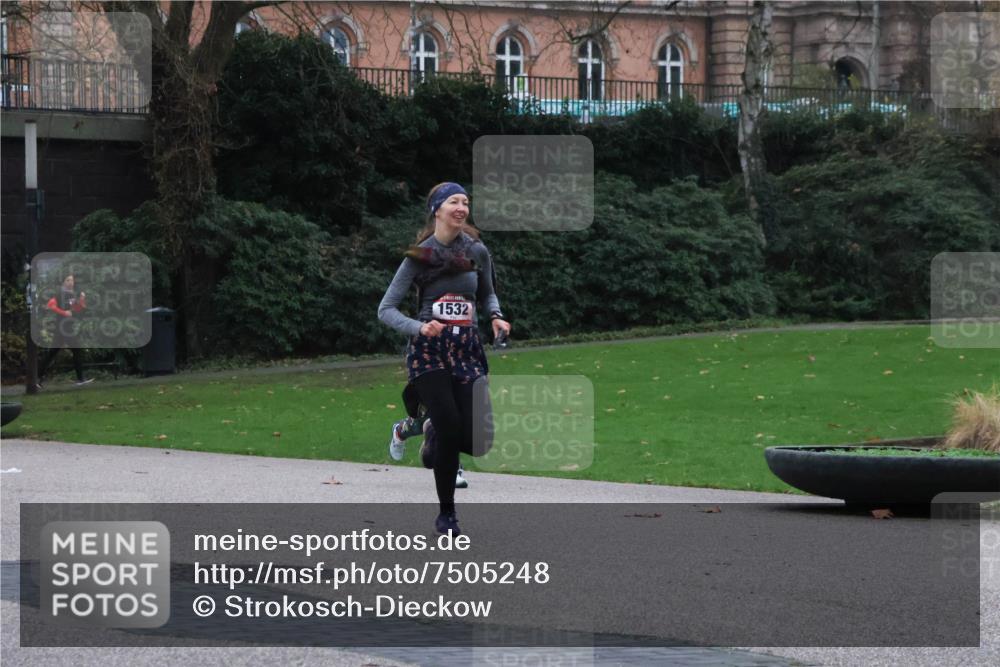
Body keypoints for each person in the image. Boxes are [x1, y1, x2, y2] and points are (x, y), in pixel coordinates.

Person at [378, 182, 510, 535]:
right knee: (450, 424)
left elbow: (488, 293)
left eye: (466, 202)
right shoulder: (419, 256)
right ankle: (447, 515)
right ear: (436, 209)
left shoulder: (477, 251)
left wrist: (496, 316)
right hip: (429, 352)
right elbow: (386, 309)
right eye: (454, 201)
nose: (462, 207)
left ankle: (431, 430)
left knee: (480, 442)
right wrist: (419, 329)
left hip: (467, 349)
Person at [37, 274, 94, 388]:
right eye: (68, 280)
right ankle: (80, 379)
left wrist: (82, 300)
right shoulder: (59, 294)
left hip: (66, 328)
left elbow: (75, 310)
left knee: (52, 353)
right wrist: (64, 313)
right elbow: (50, 305)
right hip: (62, 328)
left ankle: (36, 378)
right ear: (63, 282)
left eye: (72, 280)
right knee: (76, 350)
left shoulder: (71, 295)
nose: (70, 282)